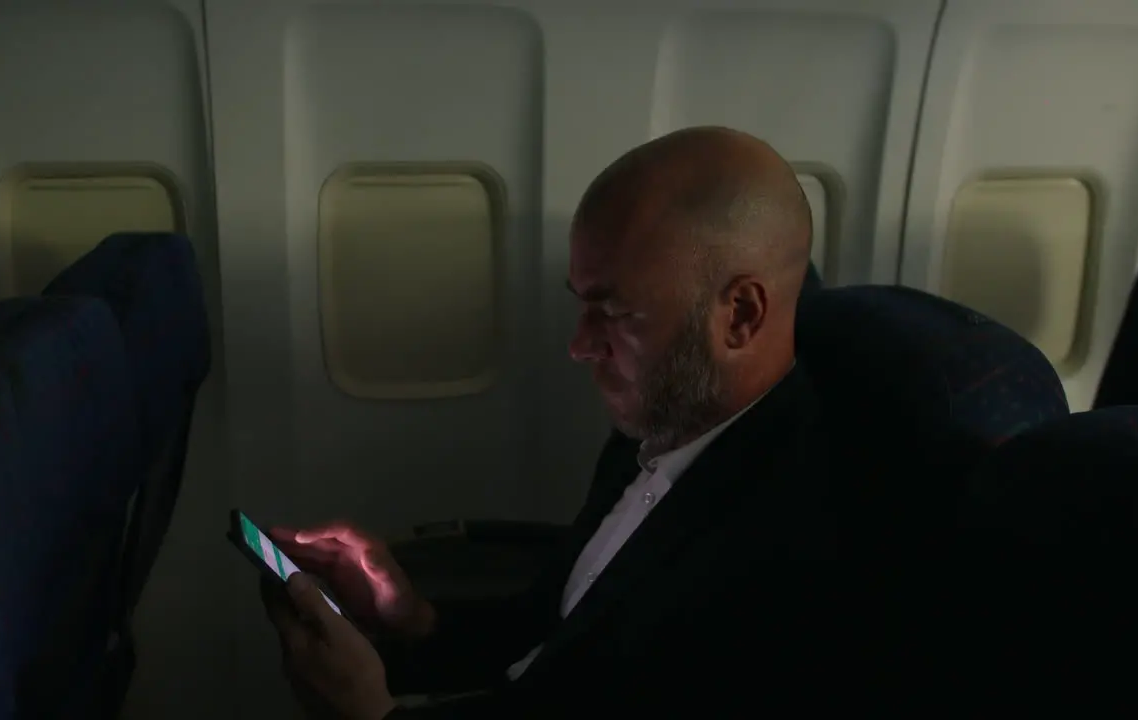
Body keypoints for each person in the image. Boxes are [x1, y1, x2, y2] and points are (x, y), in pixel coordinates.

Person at [260, 126, 846, 718]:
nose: (579, 345)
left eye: (613, 311)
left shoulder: (788, 540)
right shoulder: (653, 436)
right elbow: (551, 634)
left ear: (741, 315)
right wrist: (413, 621)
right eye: (581, 303)